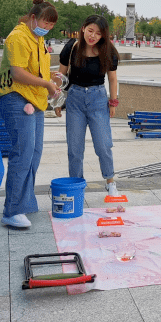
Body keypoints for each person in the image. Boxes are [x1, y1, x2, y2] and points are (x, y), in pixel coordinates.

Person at [0, 0, 59, 228]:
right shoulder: (18, 37)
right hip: (17, 98)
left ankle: (24, 202)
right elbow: (18, 73)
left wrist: (51, 79)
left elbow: (37, 71)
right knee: (22, 153)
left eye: (52, 25)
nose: (48, 28)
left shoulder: (38, 39)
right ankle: (11, 210)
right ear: (33, 18)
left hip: (36, 100)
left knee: (34, 153)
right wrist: (46, 85)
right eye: (45, 22)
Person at [57, 14, 120, 196]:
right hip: (75, 98)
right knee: (75, 148)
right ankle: (77, 185)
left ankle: (110, 182)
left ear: (103, 36)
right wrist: (58, 102)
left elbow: (113, 79)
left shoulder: (107, 51)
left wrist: (113, 102)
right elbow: (61, 78)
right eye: (90, 30)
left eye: (98, 33)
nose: (92, 36)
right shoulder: (71, 47)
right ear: (83, 28)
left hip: (98, 98)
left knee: (103, 145)